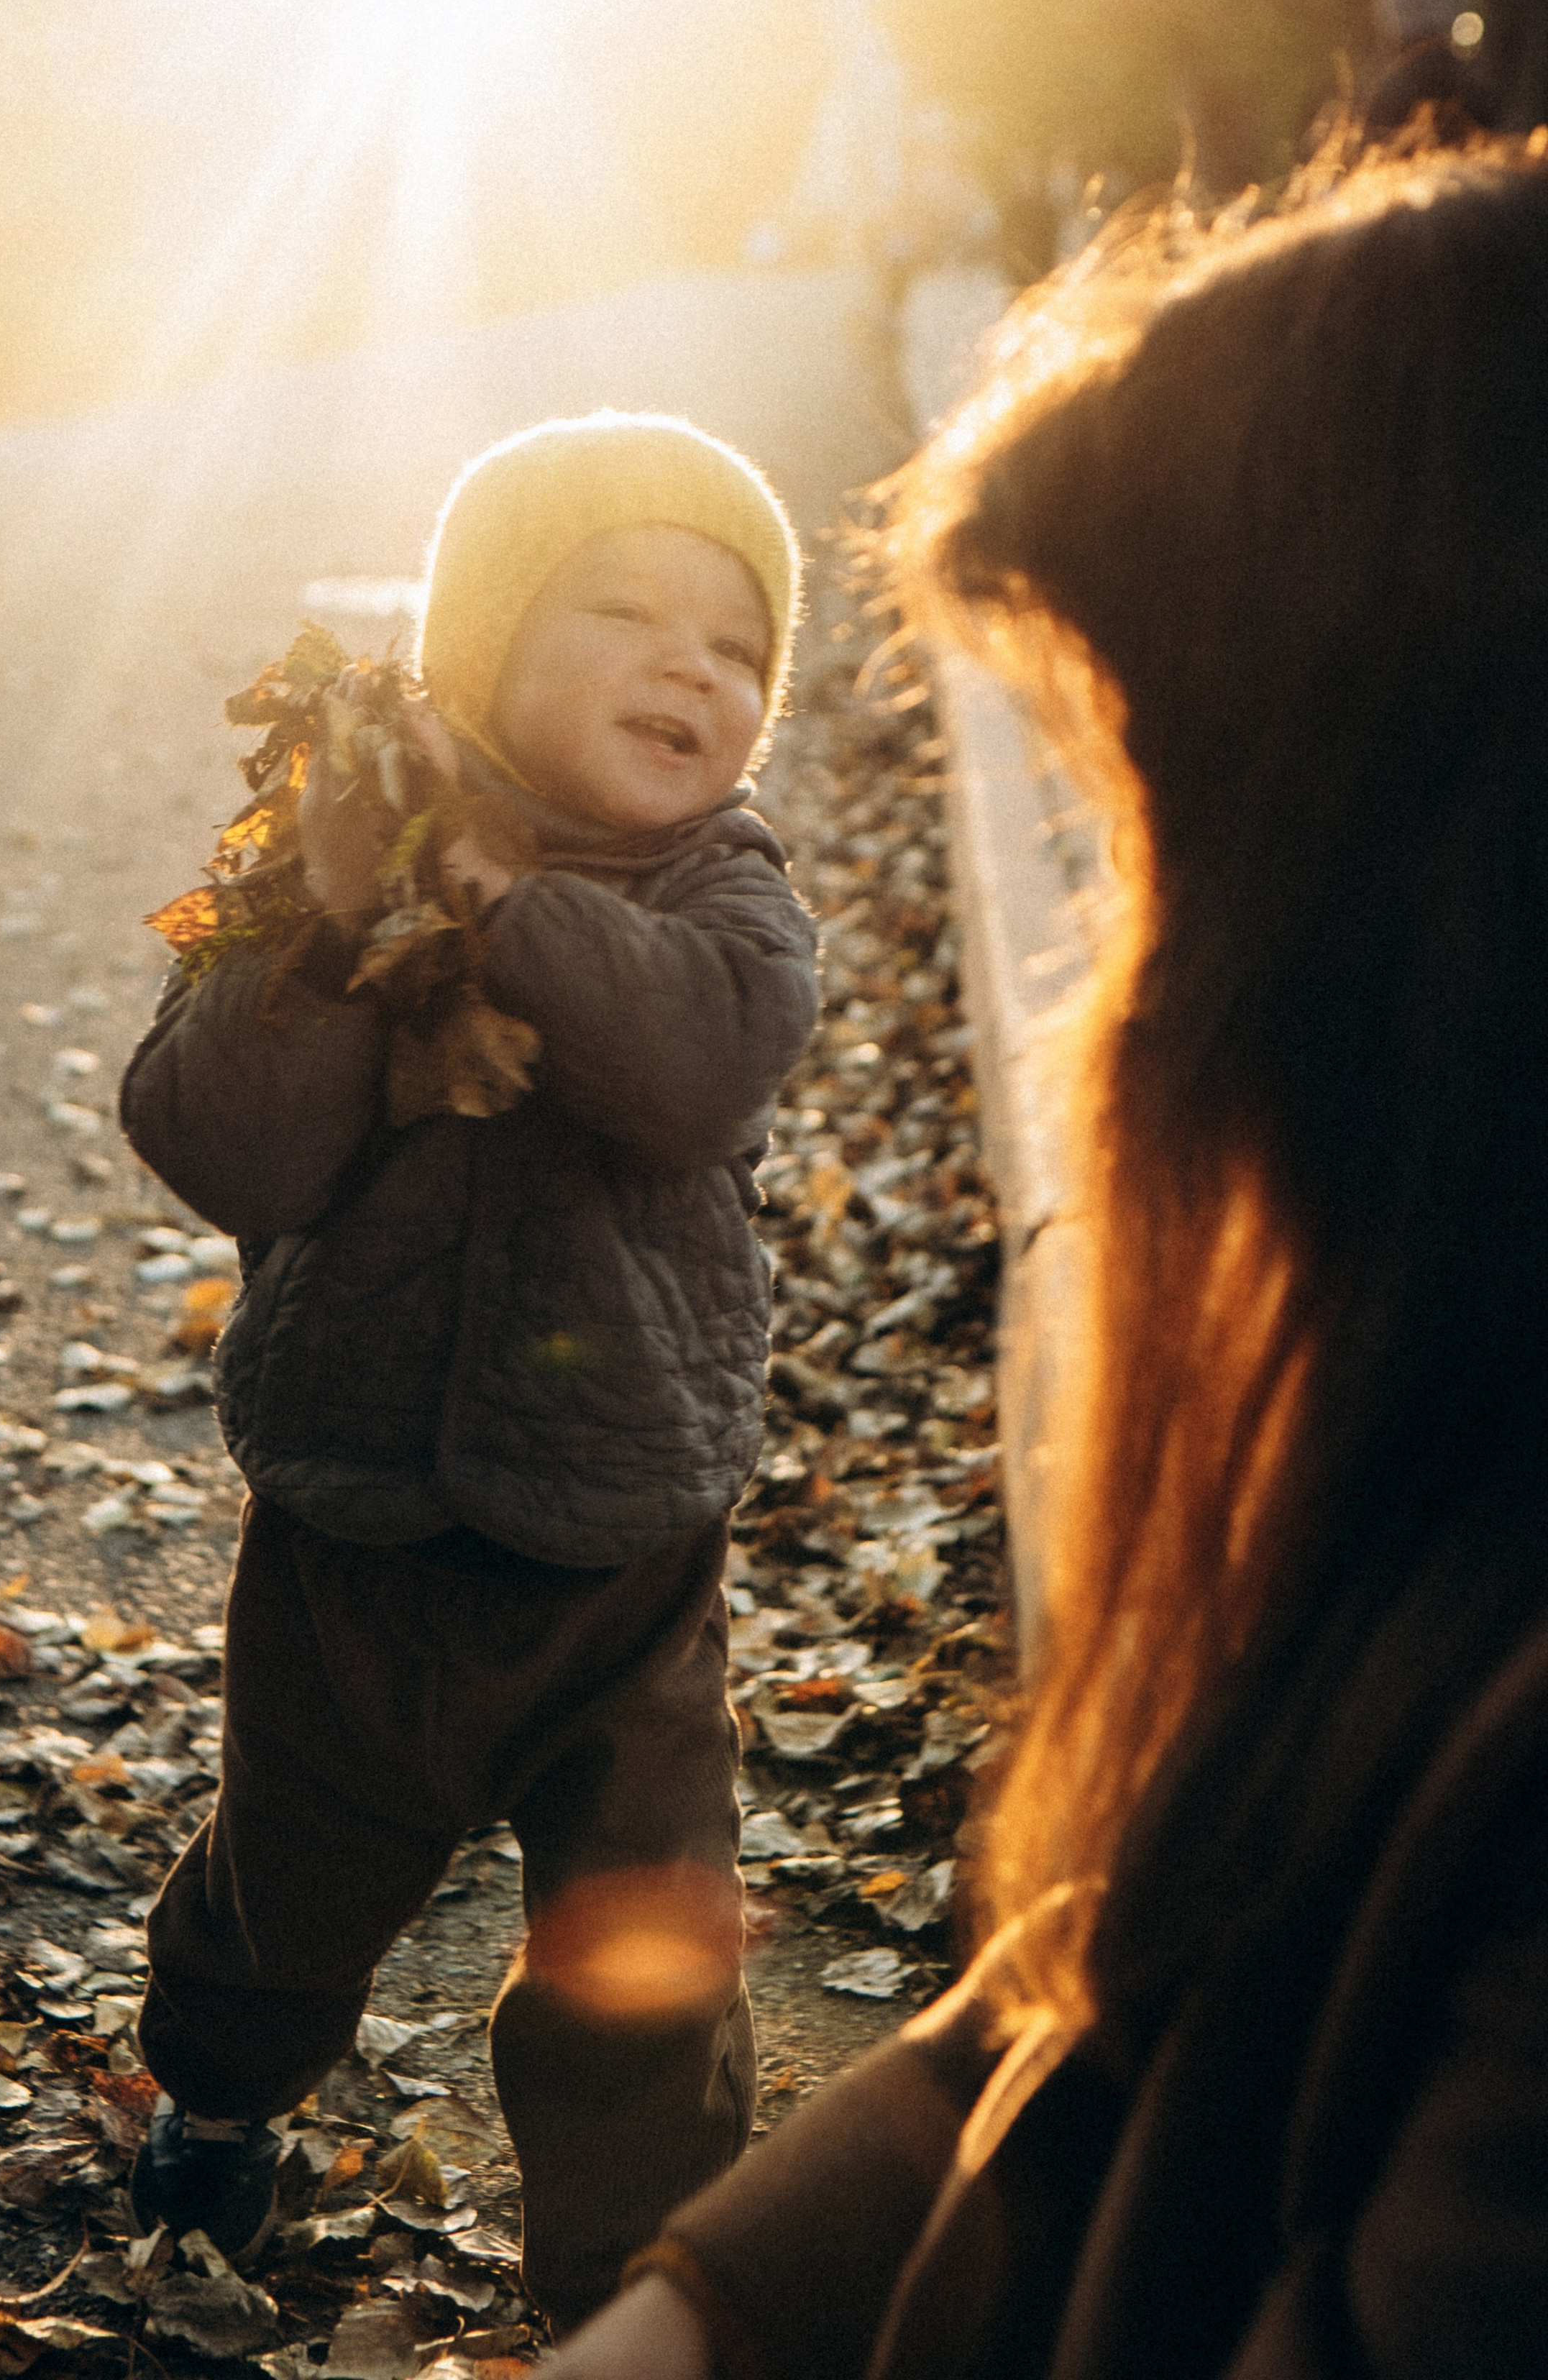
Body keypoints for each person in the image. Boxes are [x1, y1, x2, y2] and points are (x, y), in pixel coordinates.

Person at [545, 142, 1548, 2376]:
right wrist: (698, 2318)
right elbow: (1158, 1959)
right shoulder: (1460, 1462)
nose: (1132, 977)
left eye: (1157, 838)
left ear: (1424, 910)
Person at [117, 410, 820, 2330]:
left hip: (621, 1561)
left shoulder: (725, 899)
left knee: (642, 1961)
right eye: (627, 610)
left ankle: (629, 2289)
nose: (694, 665)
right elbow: (221, 1143)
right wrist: (344, 918)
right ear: (476, 642)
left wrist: (506, 898)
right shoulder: (313, 868)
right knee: (291, 1890)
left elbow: (688, 1076)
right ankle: (219, 2095)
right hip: (355, 1541)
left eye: (738, 646)